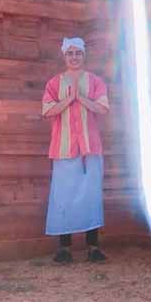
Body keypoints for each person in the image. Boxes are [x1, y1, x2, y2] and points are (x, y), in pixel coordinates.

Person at [42, 36, 110, 263]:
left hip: (90, 147)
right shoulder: (54, 83)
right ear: (64, 56)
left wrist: (80, 97)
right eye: (70, 53)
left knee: (91, 196)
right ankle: (64, 248)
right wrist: (69, 100)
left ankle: (93, 247)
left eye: (78, 53)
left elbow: (102, 108)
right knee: (63, 196)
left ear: (83, 55)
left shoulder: (95, 81)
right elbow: (47, 110)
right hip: (63, 148)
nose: (74, 57)